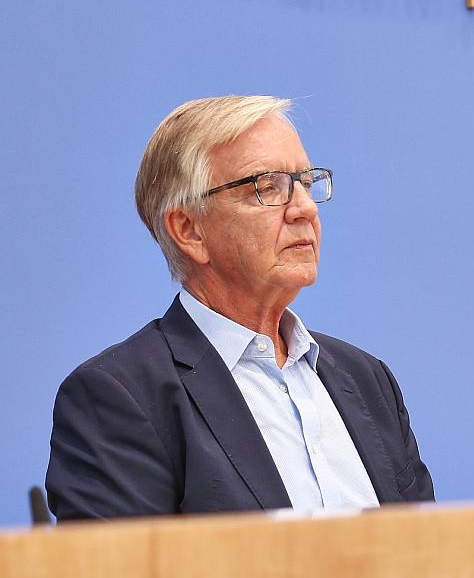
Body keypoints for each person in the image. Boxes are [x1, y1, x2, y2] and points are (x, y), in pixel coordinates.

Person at [47, 96, 433, 519]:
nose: (305, 209)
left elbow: (435, 545)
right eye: (267, 187)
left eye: (305, 183)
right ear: (189, 231)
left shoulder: (367, 380)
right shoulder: (121, 398)